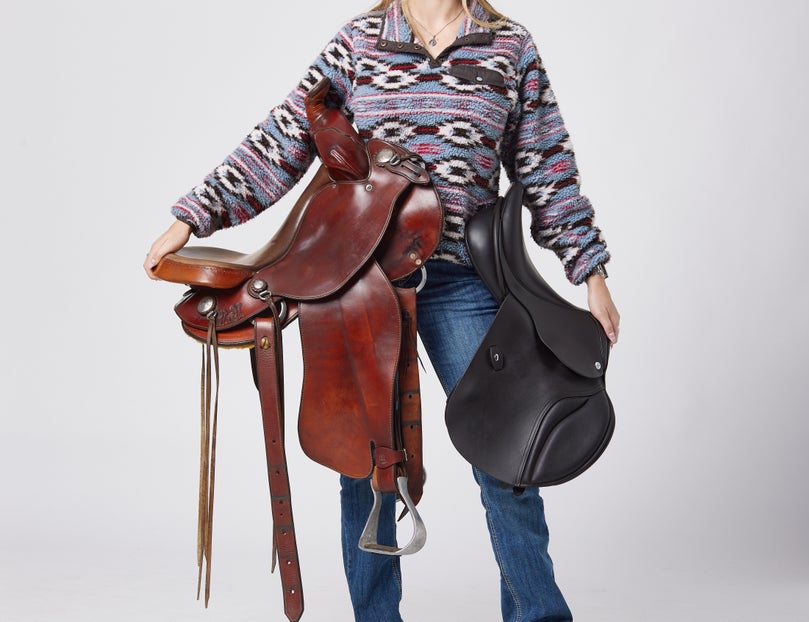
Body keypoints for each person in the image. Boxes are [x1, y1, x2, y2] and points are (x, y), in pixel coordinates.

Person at [144, 1, 620, 620]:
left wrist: (592, 271)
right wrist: (194, 215)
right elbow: (284, 138)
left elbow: (547, 165)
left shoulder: (507, 45)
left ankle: (538, 614)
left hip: (461, 278)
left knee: (509, 454)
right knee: (362, 462)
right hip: (361, 280)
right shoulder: (362, 39)